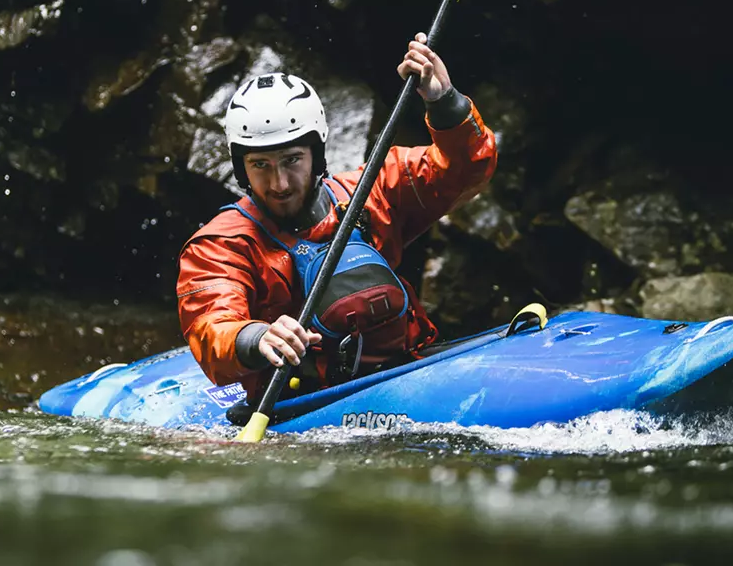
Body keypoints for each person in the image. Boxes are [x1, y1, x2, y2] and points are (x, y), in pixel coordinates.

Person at [176, 33, 498, 404]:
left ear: (317, 154)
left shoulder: (371, 192)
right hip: (305, 405)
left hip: (408, 372)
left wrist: (444, 102)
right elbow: (212, 326)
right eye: (260, 165)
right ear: (241, 168)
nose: (279, 183)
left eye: (292, 160)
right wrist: (257, 336)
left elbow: (467, 169)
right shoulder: (221, 245)